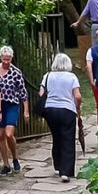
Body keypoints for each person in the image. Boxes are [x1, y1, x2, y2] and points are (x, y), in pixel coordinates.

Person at [38, 52, 83, 181]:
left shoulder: (47, 76)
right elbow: (78, 96)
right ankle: (66, 171)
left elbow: (41, 93)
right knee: (68, 139)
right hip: (67, 110)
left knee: (56, 137)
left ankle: (57, 165)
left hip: (50, 110)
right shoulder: (71, 77)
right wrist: (77, 106)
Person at [0, 46, 28, 176]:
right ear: (0, 58)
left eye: (8, 59)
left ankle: (14, 157)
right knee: (1, 134)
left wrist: (26, 111)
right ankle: (6, 164)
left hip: (12, 104)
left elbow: (23, 93)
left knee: (9, 134)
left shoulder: (16, 72)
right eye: (4, 59)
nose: (6, 62)